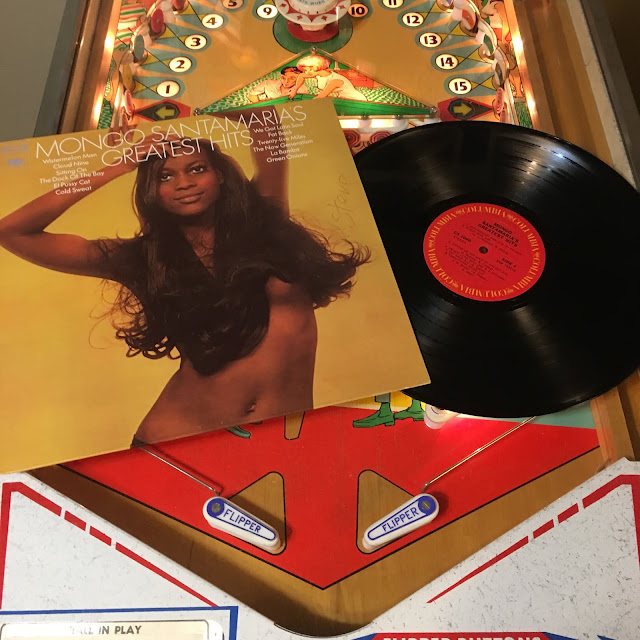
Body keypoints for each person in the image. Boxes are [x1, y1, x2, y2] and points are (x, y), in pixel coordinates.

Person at [0, 120, 370, 446]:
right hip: (176, 442)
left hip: (284, 437)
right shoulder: (141, 259)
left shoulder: (264, 219)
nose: (184, 183)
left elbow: (265, 122)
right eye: (165, 176)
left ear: (219, 175)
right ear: (152, 190)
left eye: (196, 169)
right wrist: (119, 165)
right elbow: (13, 232)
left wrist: (201, 111)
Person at [288, 57, 368, 102]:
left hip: (357, 100)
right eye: (306, 70)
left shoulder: (335, 81)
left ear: (317, 68)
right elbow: (302, 76)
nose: (307, 73)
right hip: (344, 100)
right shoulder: (319, 75)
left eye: (309, 70)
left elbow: (321, 97)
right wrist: (295, 90)